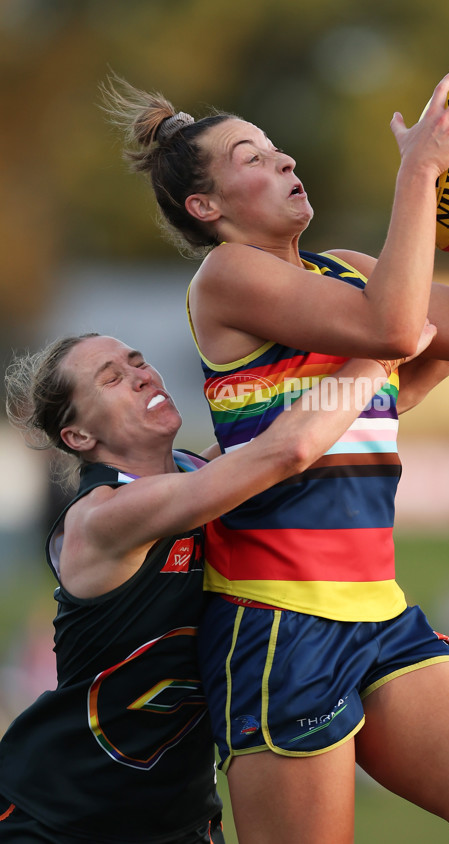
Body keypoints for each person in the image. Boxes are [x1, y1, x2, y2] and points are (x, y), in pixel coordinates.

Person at [102, 70, 449, 844]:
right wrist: (420, 172)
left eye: (276, 149)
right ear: (207, 208)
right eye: (251, 158)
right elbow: (395, 333)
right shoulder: (226, 276)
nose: (285, 160)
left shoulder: (351, 272)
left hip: (378, 612)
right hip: (279, 621)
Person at [0, 333, 422, 843]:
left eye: (138, 360)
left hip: (179, 818)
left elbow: (340, 414)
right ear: (78, 438)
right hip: (60, 820)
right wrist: (383, 351)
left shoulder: (198, 477)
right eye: (112, 378)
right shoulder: (102, 517)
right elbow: (286, 449)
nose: (141, 374)